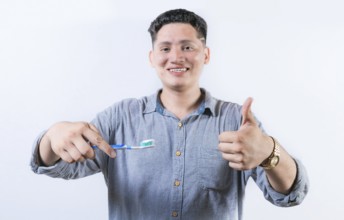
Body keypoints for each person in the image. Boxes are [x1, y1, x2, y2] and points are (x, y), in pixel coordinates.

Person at [31, 8, 309, 220]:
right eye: (165, 48)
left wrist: (271, 152)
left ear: (206, 54)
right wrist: (52, 138)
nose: (176, 57)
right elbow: (59, 166)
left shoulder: (237, 120)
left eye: (187, 47)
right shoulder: (119, 118)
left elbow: (289, 195)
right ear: (152, 57)